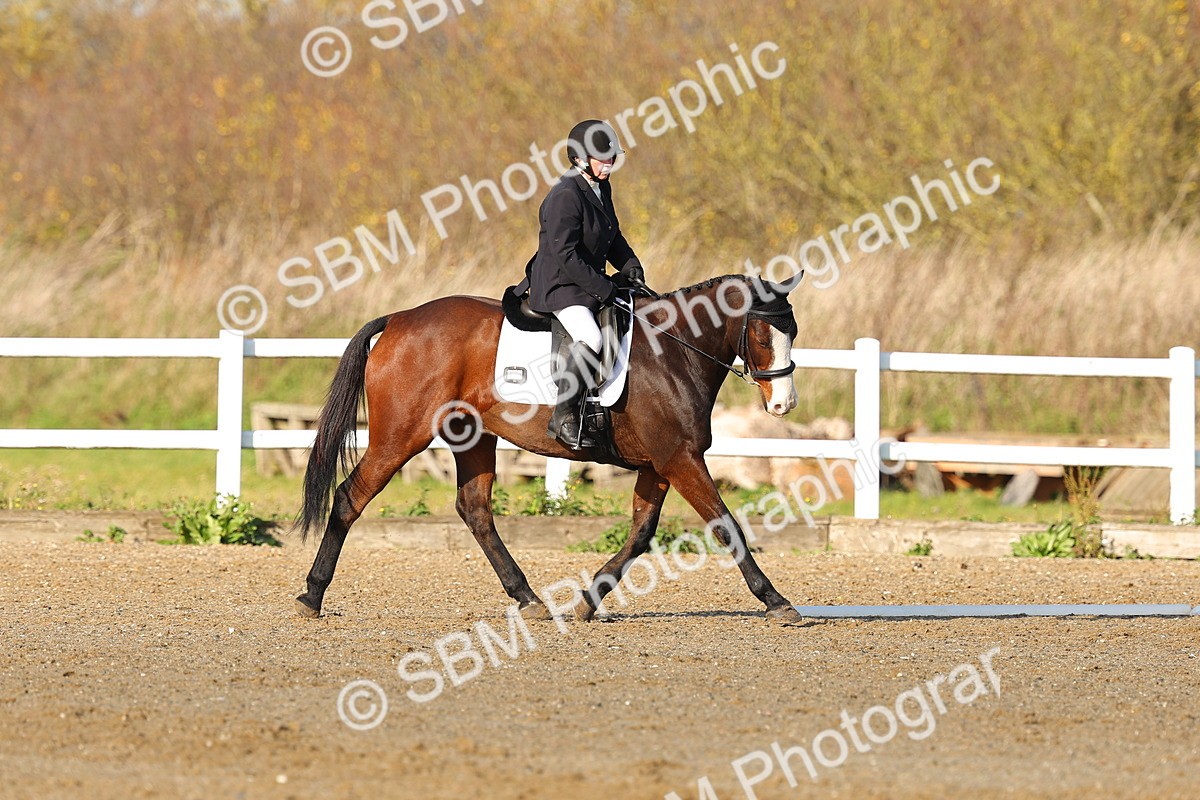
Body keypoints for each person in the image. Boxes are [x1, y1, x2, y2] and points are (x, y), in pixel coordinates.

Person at [524, 119, 646, 450]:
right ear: (579, 158)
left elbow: (612, 235)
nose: (609, 164)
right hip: (560, 286)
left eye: (611, 158)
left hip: (584, 282)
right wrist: (603, 289)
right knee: (591, 336)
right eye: (602, 158)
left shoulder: (600, 187)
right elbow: (565, 254)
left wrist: (630, 265)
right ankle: (564, 416)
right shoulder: (565, 195)